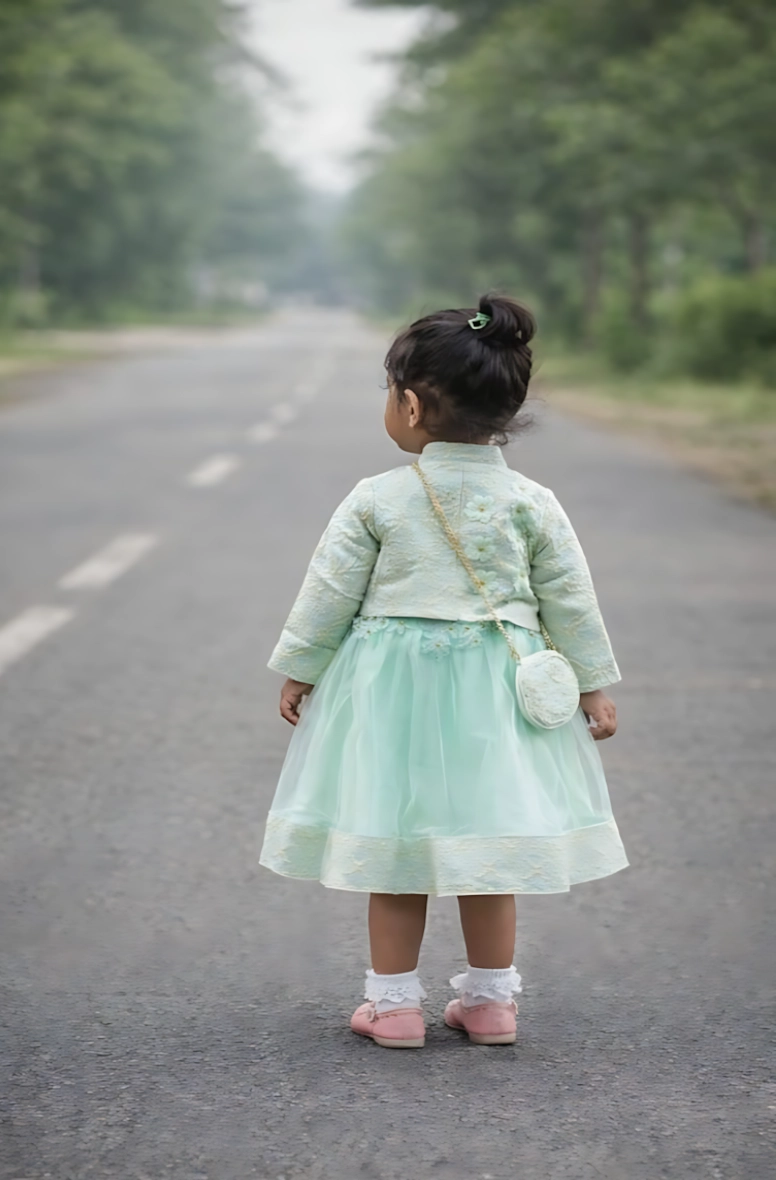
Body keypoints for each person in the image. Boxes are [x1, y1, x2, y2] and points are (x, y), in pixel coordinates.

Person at [259, 295, 628, 1049]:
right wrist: (592, 682)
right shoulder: (532, 502)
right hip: (497, 694)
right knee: (489, 848)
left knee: (396, 846)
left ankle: (393, 1008)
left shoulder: (378, 499)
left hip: (394, 690)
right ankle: (491, 1004)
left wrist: (302, 668)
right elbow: (570, 599)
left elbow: (330, 593)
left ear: (409, 403)